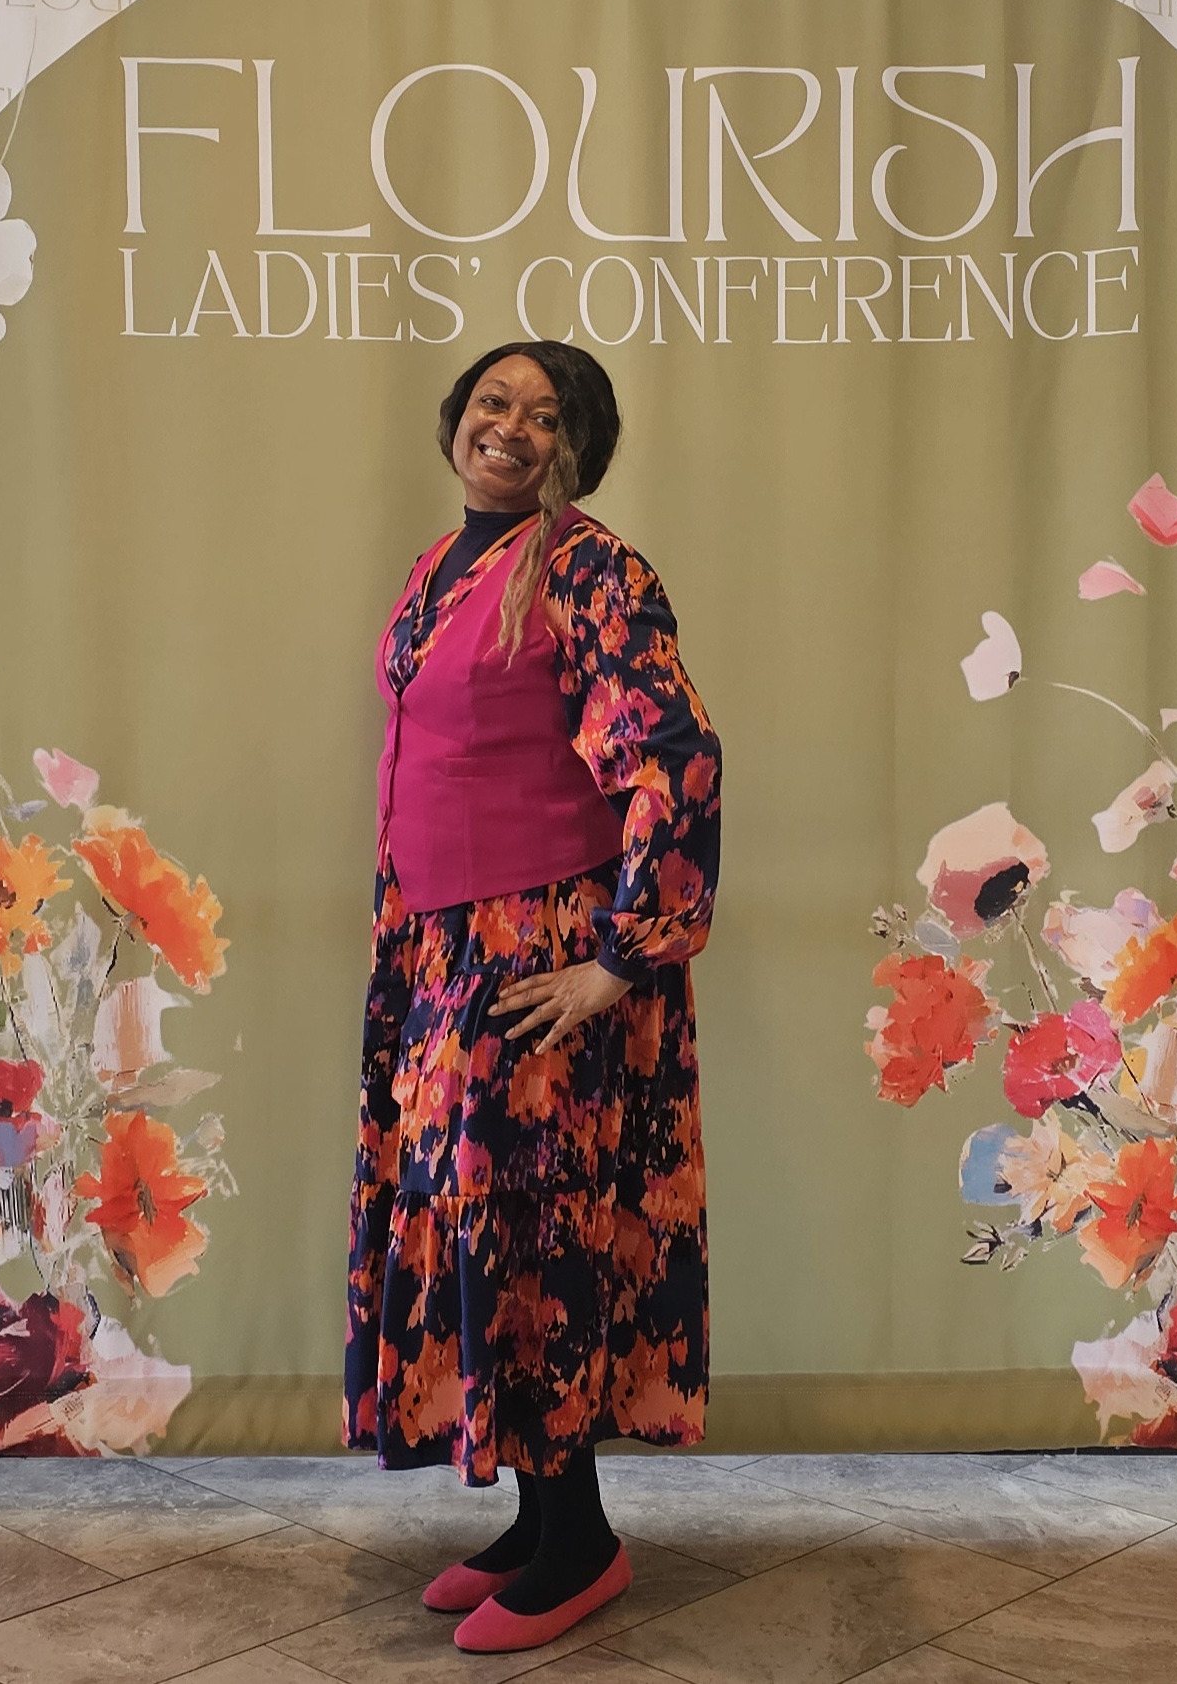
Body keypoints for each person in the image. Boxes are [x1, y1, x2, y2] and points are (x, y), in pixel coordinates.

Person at [345, 339, 722, 1653]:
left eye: (545, 416)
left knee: (536, 1230)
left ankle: (580, 1545)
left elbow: (673, 757)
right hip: (444, 947)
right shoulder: (444, 565)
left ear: (578, 448)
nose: (509, 426)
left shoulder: (591, 569)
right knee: (478, 1228)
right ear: (459, 417)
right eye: (494, 401)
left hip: (533, 952)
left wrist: (621, 955)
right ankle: (541, 1518)